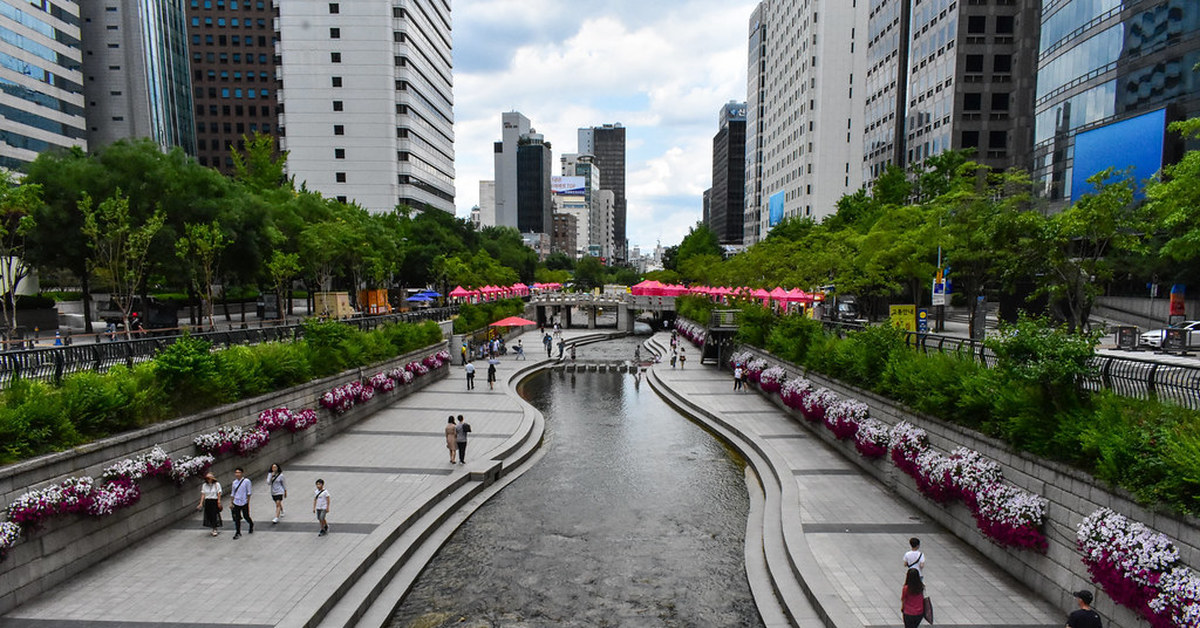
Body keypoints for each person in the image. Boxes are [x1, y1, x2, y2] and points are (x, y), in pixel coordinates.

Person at [229, 467, 253, 539]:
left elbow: (249, 492)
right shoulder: (234, 482)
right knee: (237, 518)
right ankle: (238, 532)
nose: (237, 474)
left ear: (242, 473)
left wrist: (247, 501)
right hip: (236, 502)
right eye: (236, 473)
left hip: (244, 501)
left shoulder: (246, 481)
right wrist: (231, 502)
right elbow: (233, 493)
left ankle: (251, 524)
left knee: (246, 516)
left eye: (239, 472)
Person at [196, 472, 223, 537]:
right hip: (207, 501)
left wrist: (219, 502)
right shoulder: (204, 485)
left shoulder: (217, 484)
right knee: (209, 515)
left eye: (210, 478)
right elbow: (203, 494)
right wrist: (201, 503)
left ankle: (214, 528)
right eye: (207, 478)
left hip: (214, 500)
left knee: (214, 514)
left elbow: (219, 493)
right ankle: (213, 526)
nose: (209, 479)